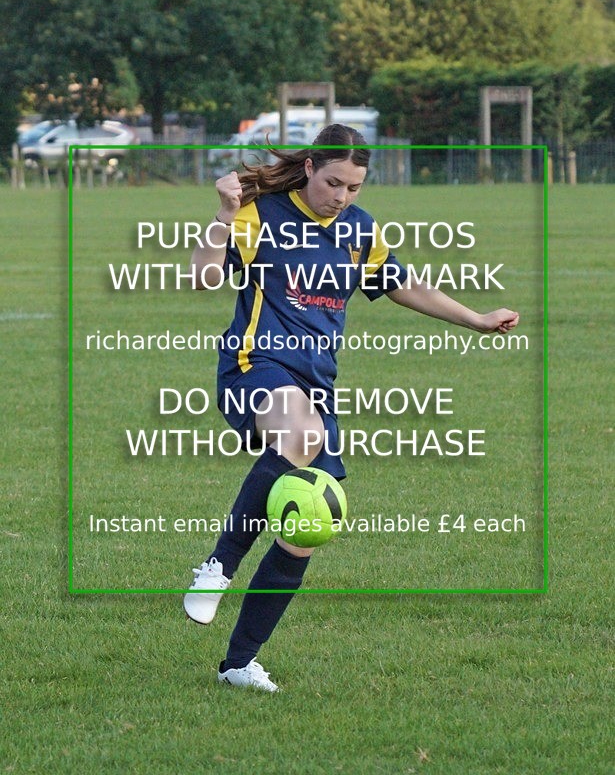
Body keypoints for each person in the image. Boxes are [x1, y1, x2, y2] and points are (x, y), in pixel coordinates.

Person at [184, 124, 519, 692]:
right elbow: (201, 277)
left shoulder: (360, 231)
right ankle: (217, 567)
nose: (341, 196)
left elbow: (404, 285)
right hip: (254, 364)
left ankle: (239, 663)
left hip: (317, 385)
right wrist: (222, 212)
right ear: (311, 167)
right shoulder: (261, 213)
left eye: (354, 187)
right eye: (333, 182)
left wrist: (477, 318)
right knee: (300, 432)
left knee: (306, 526)